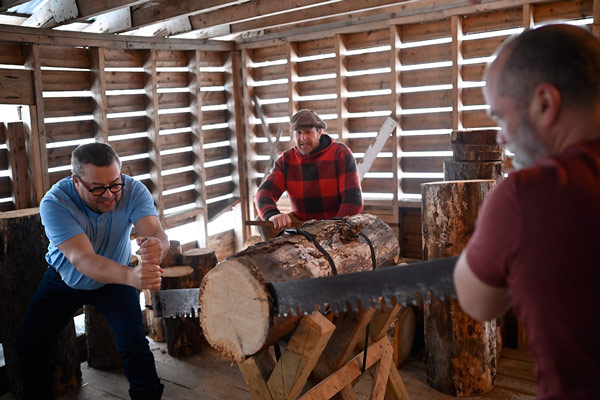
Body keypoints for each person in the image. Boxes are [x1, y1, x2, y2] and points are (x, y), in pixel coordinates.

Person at [453, 24, 600, 399]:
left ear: (546, 103)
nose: (500, 136)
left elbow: (478, 302)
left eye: (501, 117)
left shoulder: (530, 193)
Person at [15, 142, 168, 400]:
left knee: (134, 343)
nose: (109, 195)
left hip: (116, 277)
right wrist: (131, 276)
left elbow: (155, 232)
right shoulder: (55, 203)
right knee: (28, 344)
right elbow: (83, 259)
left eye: (114, 183)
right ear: (75, 180)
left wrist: (157, 247)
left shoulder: (133, 189)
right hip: (66, 279)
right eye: (97, 188)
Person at [254, 109, 363, 239]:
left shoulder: (341, 153)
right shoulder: (286, 159)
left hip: (335, 223)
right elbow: (263, 193)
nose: (303, 138)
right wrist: (273, 214)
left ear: (319, 133)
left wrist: (335, 227)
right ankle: (283, 256)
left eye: (308, 132)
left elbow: (353, 201)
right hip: (301, 223)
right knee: (263, 221)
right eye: (298, 133)